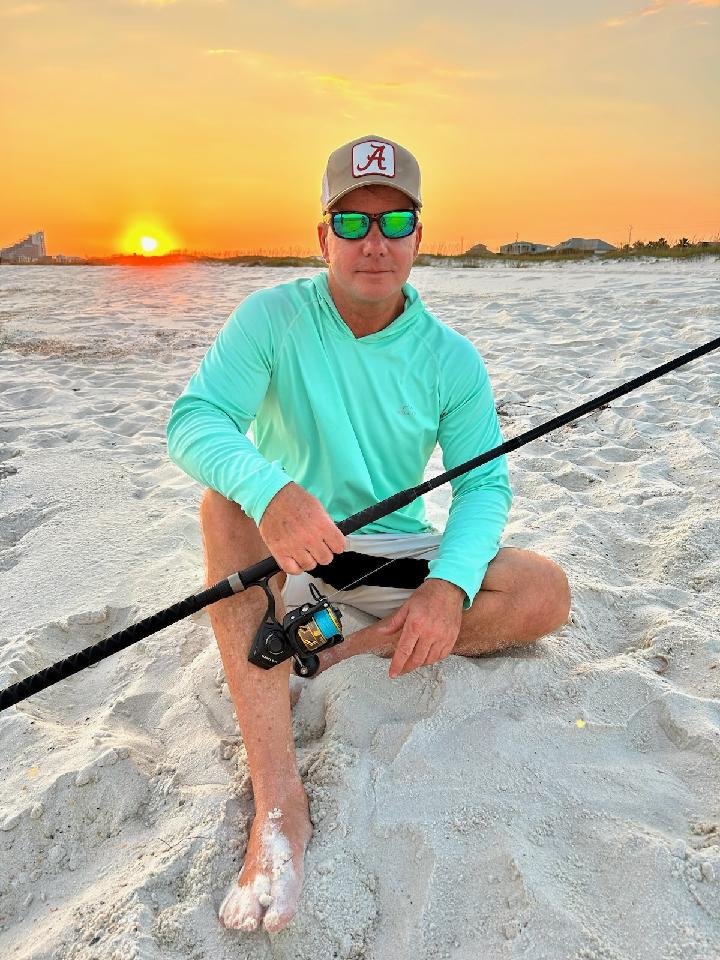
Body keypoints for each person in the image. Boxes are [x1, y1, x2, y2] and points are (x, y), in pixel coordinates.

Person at [166, 134, 570, 935]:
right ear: (323, 237)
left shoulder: (451, 359)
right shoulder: (271, 318)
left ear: (420, 236)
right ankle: (278, 804)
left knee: (543, 591)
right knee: (220, 507)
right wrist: (270, 491)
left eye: (394, 222)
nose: (373, 243)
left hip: (393, 555)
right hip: (292, 551)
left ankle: (341, 648)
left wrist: (449, 590)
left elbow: (484, 485)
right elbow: (195, 420)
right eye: (351, 223)